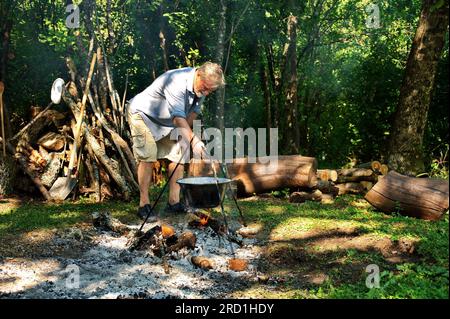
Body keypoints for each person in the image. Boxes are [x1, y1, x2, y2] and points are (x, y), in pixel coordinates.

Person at [127, 62, 225, 220]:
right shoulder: (177, 81)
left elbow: (192, 114)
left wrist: (187, 138)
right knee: (148, 155)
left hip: (168, 122)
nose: (207, 93)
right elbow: (178, 117)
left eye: (211, 91)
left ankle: (174, 202)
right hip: (143, 115)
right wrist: (194, 141)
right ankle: (143, 204)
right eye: (206, 88)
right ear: (198, 74)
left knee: (179, 154)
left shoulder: (201, 89)